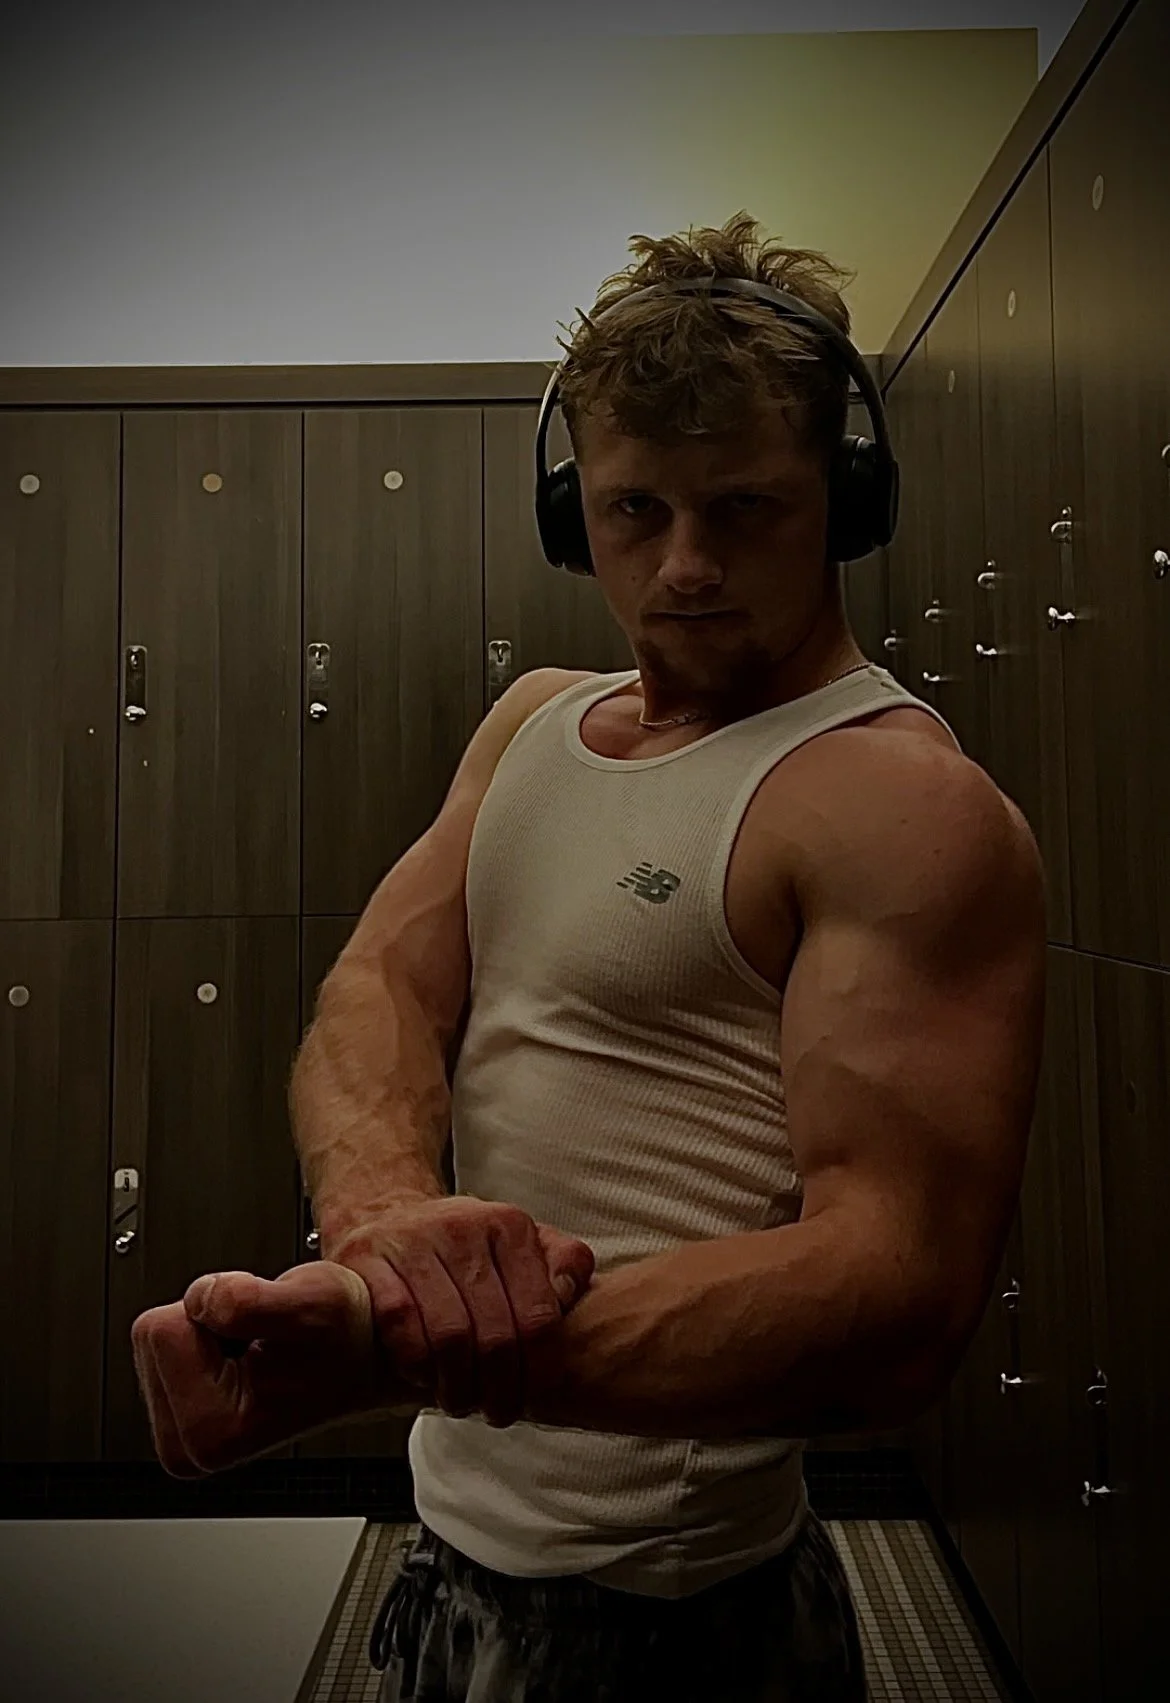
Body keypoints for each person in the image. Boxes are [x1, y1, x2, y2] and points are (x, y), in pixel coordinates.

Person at [131, 211, 1047, 1701]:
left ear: (845, 495)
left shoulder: (894, 803)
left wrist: (395, 1346)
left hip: (676, 1623)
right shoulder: (534, 723)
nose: (682, 564)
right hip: (448, 1567)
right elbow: (382, 985)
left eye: (743, 508)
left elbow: (897, 1290)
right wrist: (384, 1224)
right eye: (634, 513)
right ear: (577, 517)